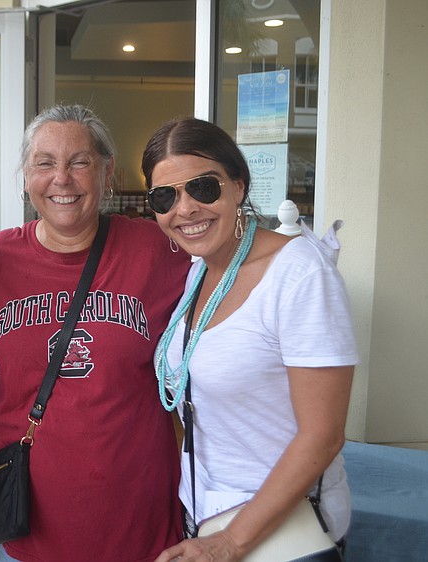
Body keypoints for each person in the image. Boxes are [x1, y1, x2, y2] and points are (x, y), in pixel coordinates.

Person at [141, 117, 358, 562]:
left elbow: (323, 436)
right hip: (208, 515)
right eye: (165, 196)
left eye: (203, 187)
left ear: (238, 186)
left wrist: (229, 542)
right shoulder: (200, 272)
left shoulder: (300, 275)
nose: (185, 209)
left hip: (278, 529)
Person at [0, 105, 191, 562]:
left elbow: (226, 275)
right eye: (45, 163)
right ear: (26, 176)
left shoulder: (155, 250)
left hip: (141, 533)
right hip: (29, 537)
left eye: (79, 162)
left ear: (106, 172)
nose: (62, 178)